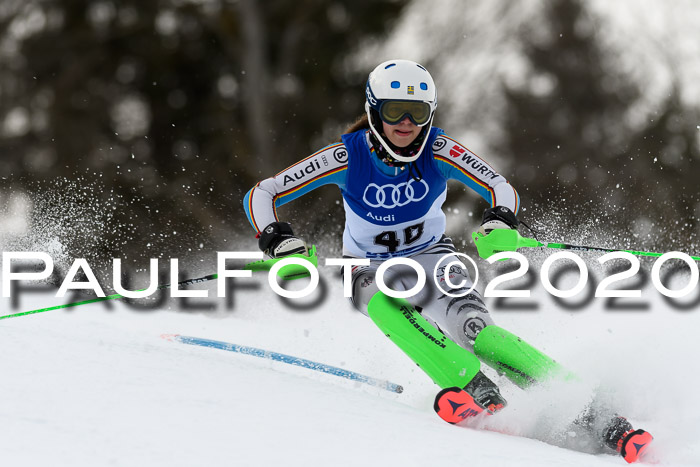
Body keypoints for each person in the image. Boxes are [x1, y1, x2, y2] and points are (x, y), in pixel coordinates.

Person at [243, 59, 651, 463]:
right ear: (373, 112)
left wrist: (499, 220)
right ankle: (475, 388)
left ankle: (598, 416)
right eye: (393, 112)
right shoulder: (347, 156)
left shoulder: (438, 149)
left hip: (433, 257)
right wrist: (278, 239)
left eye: (417, 113)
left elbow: (498, 185)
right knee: (385, 305)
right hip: (365, 265)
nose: (406, 123)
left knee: (480, 333)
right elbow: (263, 193)